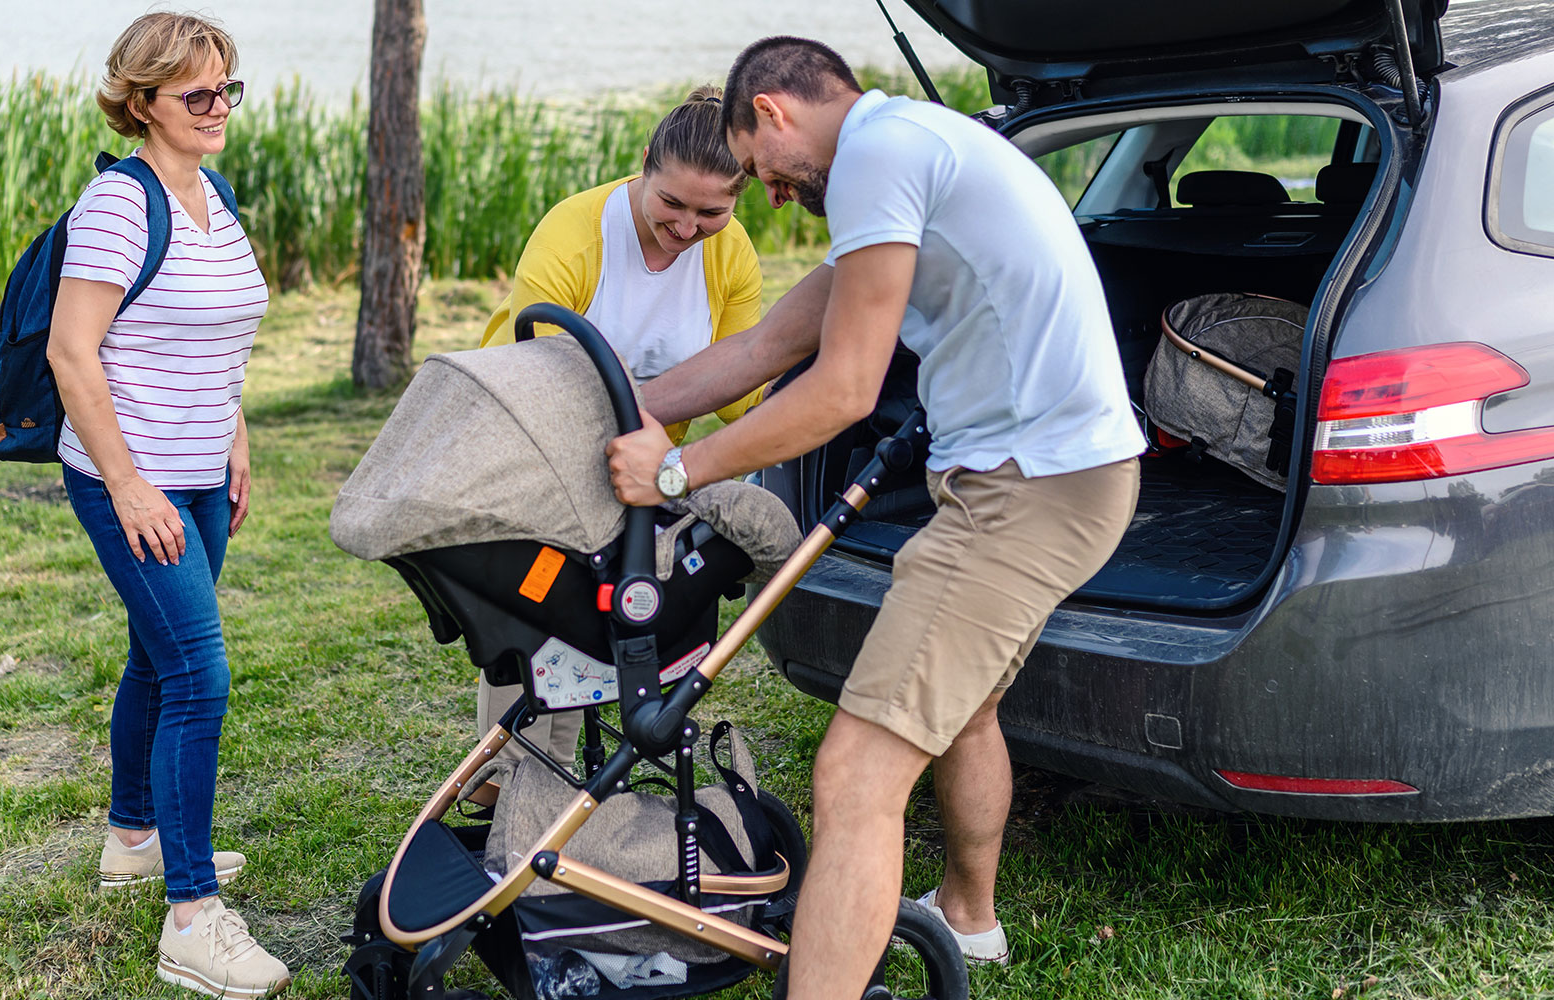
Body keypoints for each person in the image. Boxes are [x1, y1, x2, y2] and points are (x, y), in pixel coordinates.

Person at [606, 36, 1146, 998]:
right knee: (963, 704)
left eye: (760, 169)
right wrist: (637, 404)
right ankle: (969, 921)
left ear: (772, 110)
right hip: (1053, 475)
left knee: (855, 773)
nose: (769, 193)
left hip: (1030, 489)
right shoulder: (911, 144)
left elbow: (844, 390)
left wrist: (678, 473)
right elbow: (777, 340)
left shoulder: (875, 159)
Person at [45, 12, 289, 997]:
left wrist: (231, 432)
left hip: (197, 470)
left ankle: (132, 840)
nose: (218, 107)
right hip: (129, 479)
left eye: (227, 88)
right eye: (196, 94)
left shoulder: (212, 192)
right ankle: (191, 916)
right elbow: (72, 354)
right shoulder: (118, 204)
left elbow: (215, 331)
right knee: (199, 672)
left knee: (159, 656)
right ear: (140, 102)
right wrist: (129, 481)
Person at [471, 86, 766, 790]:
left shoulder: (731, 256)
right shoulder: (576, 233)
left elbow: (744, 392)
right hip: (536, 447)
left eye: (711, 213)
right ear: (642, 166)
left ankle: (546, 786)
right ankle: (509, 784)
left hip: (647, 481)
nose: (688, 228)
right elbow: (542, 373)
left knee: (628, 628)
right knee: (552, 628)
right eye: (672, 204)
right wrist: (659, 440)